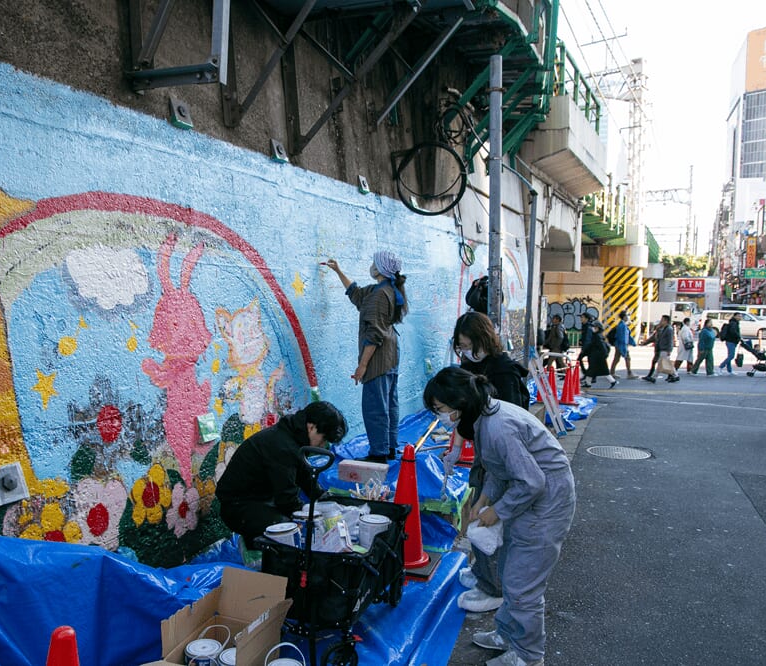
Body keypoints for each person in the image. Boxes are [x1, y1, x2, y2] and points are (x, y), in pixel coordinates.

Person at [424, 367, 575, 666]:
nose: (440, 416)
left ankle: (529, 656)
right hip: (527, 497)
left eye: (441, 409)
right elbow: (498, 468)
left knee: (522, 583)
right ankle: (507, 634)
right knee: (509, 571)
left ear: (460, 403)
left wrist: (497, 511)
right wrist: (482, 499)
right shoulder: (485, 418)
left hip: (546, 503)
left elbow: (532, 481)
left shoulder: (498, 426)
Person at [449, 312, 531, 614]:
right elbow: (464, 412)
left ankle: (494, 586)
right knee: (477, 508)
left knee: (488, 518)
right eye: (461, 345)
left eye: (469, 344)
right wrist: (456, 447)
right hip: (484, 453)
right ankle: (483, 572)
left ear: (485, 339)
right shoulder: (471, 365)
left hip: (501, 455)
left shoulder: (503, 372)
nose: (466, 350)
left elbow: (510, 426)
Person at [216, 401, 347, 542]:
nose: (323, 445)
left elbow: (305, 477)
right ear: (311, 427)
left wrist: (325, 498)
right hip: (238, 506)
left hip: (260, 498)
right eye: (324, 439)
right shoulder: (283, 447)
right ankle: (263, 551)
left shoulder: (294, 437)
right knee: (292, 529)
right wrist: (312, 518)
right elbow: (286, 499)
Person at [325, 253, 407, 463]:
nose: (371, 266)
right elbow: (356, 294)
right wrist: (338, 271)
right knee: (389, 404)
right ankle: (388, 447)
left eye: (374, 263)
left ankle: (378, 454)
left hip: (379, 359)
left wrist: (362, 366)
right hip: (390, 356)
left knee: (375, 407)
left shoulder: (380, 295)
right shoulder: (383, 290)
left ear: (380, 269)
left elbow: (373, 334)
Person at [578, 312, 617, 389]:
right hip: (598, 357)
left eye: (594, 327)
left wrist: (585, 351)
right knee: (602, 371)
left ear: (598, 328)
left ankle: (588, 383)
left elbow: (600, 347)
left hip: (597, 357)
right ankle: (612, 381)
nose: (593, 328)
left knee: (592, 371)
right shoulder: (597, 336)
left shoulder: (597, 337)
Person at [642, 314, 679, 383]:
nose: (661, 321)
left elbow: (670, 340)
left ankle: (655, 377)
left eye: (662, 320)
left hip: (665, 349)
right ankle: (675, 375)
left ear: (666, 321)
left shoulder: (669, 329)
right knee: (663, 363)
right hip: (663, 349)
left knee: (663, 363)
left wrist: (669, 350)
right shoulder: (665, 328)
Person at [608, 310, 638, 379]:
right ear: (624, 317)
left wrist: (632, 343)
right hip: (621, 345)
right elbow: (622, 337)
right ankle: (629, 373)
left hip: (619, 345)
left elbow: (628, 336)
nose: (628, 317)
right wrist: (624, 347)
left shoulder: (622, 325)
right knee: (627, 358)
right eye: (627, 315)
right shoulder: (622, 326)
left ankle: (612, 373)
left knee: (616, 359)